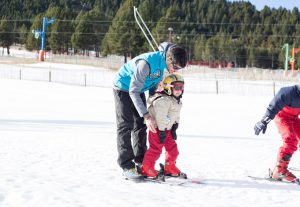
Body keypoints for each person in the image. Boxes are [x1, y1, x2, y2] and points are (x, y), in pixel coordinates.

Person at [113, 42, 187, 179]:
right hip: (123, 87)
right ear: (168, 59)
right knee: (126, 125)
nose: (175, 70)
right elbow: (133, 90)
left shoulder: (166, 65)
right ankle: (127, 166)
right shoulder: (146, 64)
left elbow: (153, 86)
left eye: (179, 68)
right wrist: (147, 115)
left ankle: (142, 162)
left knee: (140, 125)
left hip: (138, 88)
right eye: (175, 67)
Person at [140, 73, 186, 179]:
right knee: (156, 149)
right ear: (168, 87)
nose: (179, 90)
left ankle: (170, 166)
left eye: (181, 87)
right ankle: (147, 167)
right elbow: (161, 118)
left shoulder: (176, 100)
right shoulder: (162, 101)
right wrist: (161, 131)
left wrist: (175, 127)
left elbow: (175, 114)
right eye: (177, 87)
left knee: (173, 150)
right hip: (157, 129)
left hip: (167, 129)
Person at [254, 85, 300, 182]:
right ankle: (279, 170)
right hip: (282, 117)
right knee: (290, 140)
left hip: (294, 118)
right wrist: (263, 121)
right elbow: (273, 106)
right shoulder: (288, 92)